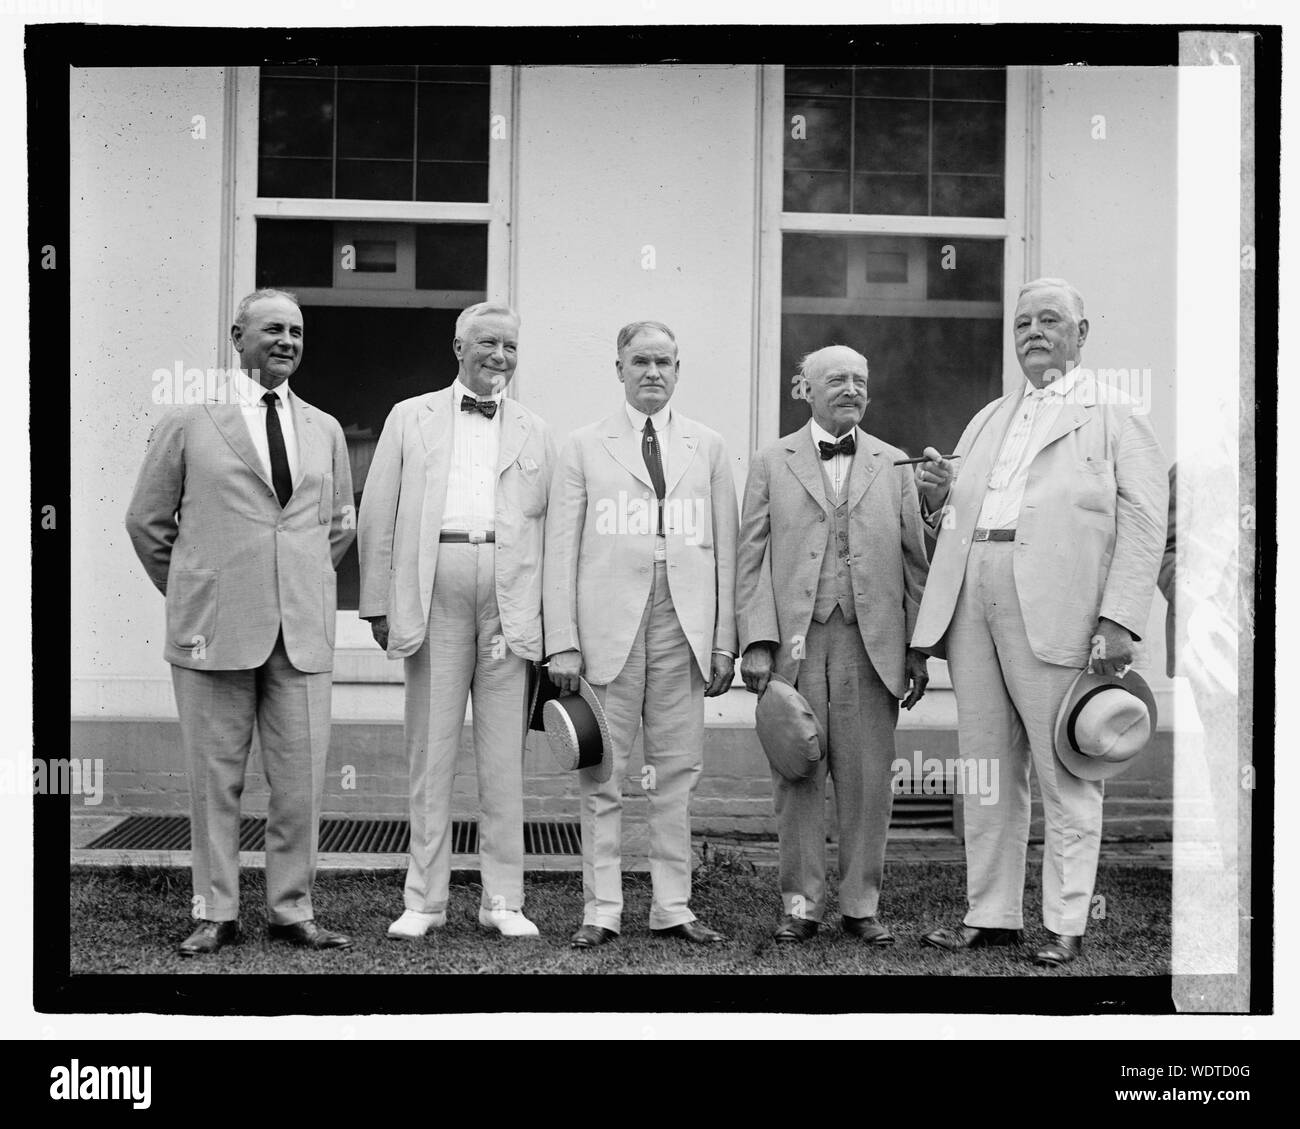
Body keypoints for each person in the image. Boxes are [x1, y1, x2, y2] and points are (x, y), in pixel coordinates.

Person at [911, 277, 1167, 967]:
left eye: (1050, 319)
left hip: (1059, 605)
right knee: (988, 764)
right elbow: (962, 517)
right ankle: (991, 914)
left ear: (1082, 334)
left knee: (1066, 765)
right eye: (1023, 321)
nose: (1034, 331)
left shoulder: (1113, 415)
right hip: (974, 597)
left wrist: (1119, 619)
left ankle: (1065, 922)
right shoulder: (989, 417)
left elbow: (1145, 523)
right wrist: (940, 499)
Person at [125, 288, 356, 955]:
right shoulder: (190, 420)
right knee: (214, 780)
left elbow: (338, 524)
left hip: (301, 633)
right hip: (212, 632)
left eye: (297, 331)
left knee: (300, 782)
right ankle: (214, 910)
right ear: (238, 336)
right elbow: (147, 521)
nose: (287, 340)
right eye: (273, 329)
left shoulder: (325, 428)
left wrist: (300, 583)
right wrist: (198, 592)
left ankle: (292, 909)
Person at [358, 302, 554, 939]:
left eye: (511, 346)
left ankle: (504, 901)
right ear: (458, 347)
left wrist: (548, 618)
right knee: (431, 752)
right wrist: (378, 603)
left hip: (507, 596)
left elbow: (551, 528)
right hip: (434, 584)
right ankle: (424, 901)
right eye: (488, 343)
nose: (500, 356)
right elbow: (377, 513)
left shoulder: (535, 429)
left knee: (503, 760)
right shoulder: (408, 417)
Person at [544, 321, 738, 948]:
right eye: (640, 362)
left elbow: (726, 553)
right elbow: (559, 551)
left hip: (682, 626)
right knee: (601, 774)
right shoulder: (583, 445)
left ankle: (672, 906)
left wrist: (722, 642)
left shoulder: (707, 446)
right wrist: (563, 641)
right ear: (619, 369)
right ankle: (601, 909)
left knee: (675, 774)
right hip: (607, 631)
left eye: (664, 362)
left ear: (679, 369)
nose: (653, 372)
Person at [736, 345, 930, 944]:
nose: (851, 388)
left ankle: (860, 906)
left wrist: (918, 650)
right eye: (837, 379)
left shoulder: (894, 463)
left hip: (873, 646)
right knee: (797, 773)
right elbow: (751, 559)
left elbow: (914, 561)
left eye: (860, 379)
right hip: (796, 643)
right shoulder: (772, 460)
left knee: (870, 781)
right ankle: (800, 904)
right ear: (805, 389)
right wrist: (757, 643)